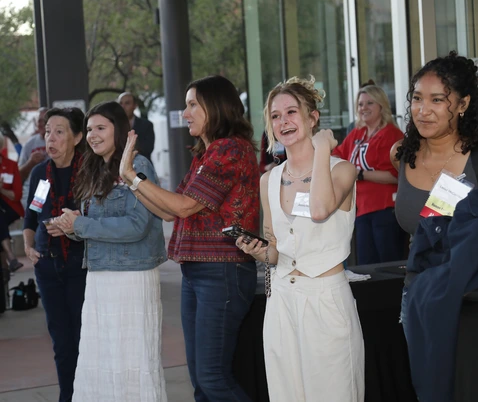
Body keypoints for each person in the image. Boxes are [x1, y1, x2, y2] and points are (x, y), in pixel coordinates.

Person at [119, 75, 259, 402]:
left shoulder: (229, 149)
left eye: (192, 104)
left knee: (212, 379)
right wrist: (131, 181)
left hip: (223, 272)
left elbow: (182, 207)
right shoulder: (206, 154)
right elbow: (169, 211)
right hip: (198, 272)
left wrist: (132, 177)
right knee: (201, 381)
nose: (185, 113)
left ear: (216, 107)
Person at [239, 76, 365, 402]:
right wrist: (258, 251)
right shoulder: (268, 179)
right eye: (276, 116)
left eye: (292, 112)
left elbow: (321, 208)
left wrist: (322, 148)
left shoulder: (341, 170)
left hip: (326, 300)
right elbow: (276, 251)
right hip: (281, 302)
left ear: (312, 118)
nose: (284, 121)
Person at [55, 101, 167, 402]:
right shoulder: (95, 169)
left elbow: (137, 226)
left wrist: (83, 225)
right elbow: (96, 225)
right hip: (101, 277)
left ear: (119, 130)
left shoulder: (138, 166)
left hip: (132, 277)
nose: (92, 135)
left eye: (100, 128)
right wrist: (71, 225)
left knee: (133, 361)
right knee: (102, 360)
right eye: (89, 129)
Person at [392, 51, 478, 238]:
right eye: (417, 98)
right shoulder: (401, 153)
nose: (423, 111)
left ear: (463, 104)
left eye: (437, 100)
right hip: (420, 267)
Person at [23, 107, 86, 402]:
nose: (51, 138)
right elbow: (32, 218)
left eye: (59, 132)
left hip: (80, 265)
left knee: (83, 338)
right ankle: (67, 397)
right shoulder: (40, 174)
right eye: (48, 131)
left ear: (77, 137)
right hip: (47, 266)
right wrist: (28, 246)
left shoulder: (87, 172)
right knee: (61, 341)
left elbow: (95, 217)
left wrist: (74, 225)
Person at [333, 84, 404, 264]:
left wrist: (360, 174)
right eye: (360, 104)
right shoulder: (358, 132)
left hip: (385, 209)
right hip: (361, 209)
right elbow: (339, 155)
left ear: (381, 105)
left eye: (369, 103)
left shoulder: (392, 135)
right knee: (366, 265)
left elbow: (397, 175)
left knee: (387, 266)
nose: (363, 108)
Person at [0, 133, 25, 273]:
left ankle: (8, 261)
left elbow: (17, 195)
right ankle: (11, 259)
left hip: (11, 208)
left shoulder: (10, 165)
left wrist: (2, 189)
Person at [19, 107, 48, 209]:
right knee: (35, 216)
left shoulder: (58, 141)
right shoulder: (30, 143)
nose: (42, 123)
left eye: (45, 120)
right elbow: (19, 174)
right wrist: (31, 163)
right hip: (36, 189)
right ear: (36, 124)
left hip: (55, 188)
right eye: (40, 120)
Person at [118, 92, 155, 161]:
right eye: (120, 103)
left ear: (135, 106)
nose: (123, 107)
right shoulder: (113, 126)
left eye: (127, 103)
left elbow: (148, 148)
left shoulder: (146, 125)